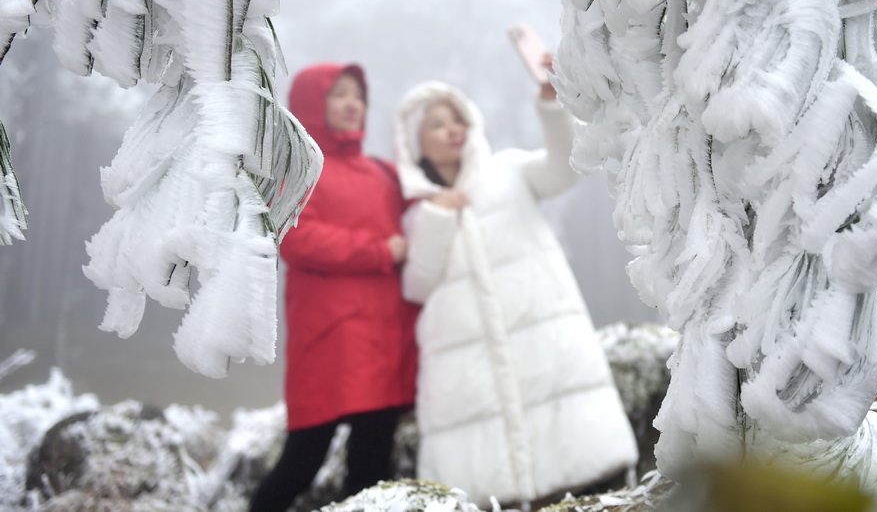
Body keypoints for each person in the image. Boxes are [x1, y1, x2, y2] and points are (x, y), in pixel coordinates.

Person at [392, 65, 639, 508]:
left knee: (584, 473)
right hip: (468, 369)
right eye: (437, 123)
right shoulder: (417, 214)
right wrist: (438, 216)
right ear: (415, 141)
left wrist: (551, 104)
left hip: (544, 345)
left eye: (458, 118)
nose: (453, 129)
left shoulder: (507, 170)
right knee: (488, 486)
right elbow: (417, 285)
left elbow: (565, 169)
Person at [249, 63, 419, 512]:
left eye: (358, 96)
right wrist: (380, 251)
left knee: (371, 464)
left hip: (385, 339)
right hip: (330, 338)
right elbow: (296, 238)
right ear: (311, 103)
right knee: (303, 459)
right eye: (338, 94)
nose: (352, 104)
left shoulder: (384, 173)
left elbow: (424, 217)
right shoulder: (299, 172)